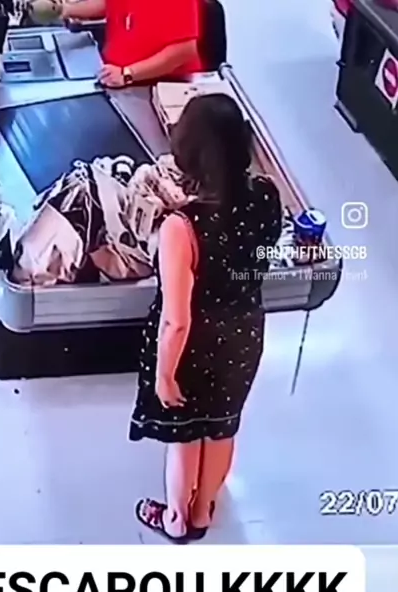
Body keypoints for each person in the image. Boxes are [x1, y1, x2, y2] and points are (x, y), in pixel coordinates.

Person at [129, 93, 282, 543]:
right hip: (244, 333)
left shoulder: (181, 227)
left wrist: (164, 375)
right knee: (221, 427)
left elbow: (176, 319)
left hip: (194, 345)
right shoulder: (267, 196)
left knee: (184, 435)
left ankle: (176, 521)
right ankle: (202, 512)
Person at [59, 0, 202, 87]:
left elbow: (184, 51)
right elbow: (109, 3)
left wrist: (127, 74)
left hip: (156, 85)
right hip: (113, 76)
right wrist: (65, 9)